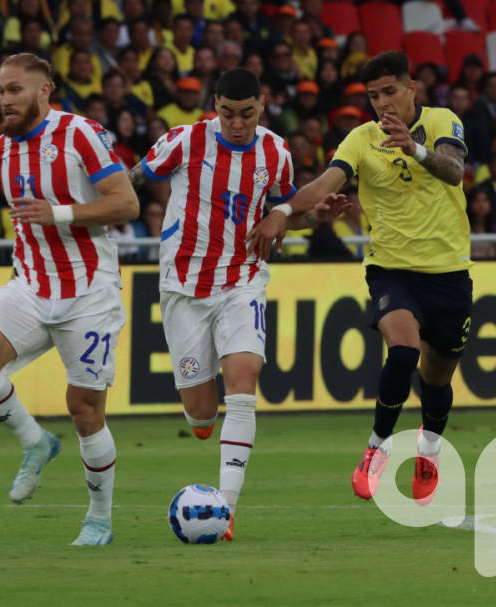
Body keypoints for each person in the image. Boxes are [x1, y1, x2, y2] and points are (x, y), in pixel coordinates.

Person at [128, 67, 347, 539]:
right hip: (183, 287)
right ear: (215, 106)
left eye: (246, 114)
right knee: (202, 413)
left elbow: (288, 215)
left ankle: (225, 511)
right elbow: (134, 179)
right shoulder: (184, 141)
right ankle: (202, 422)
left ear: (262, 105)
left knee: (244, 381)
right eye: (227, 114)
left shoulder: (276, 152)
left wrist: (316, 217)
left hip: (242, 280)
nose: (237, 124)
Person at [249, 50, 472, 506]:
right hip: (392, 268)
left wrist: (415, 148)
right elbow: (323, 183)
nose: (382, 103)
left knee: (437, 379)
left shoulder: (442, 121)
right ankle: (377, 447)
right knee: (405, 350)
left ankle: (428, 450)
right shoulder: (361, 138)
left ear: (412, 89)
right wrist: (283, 210)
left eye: (390, 91)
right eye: (373, 96)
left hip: (450, 273)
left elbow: (453, 171)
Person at [0, 53, 140, 546]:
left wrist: (58, 214)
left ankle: (99, 519)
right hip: (32, 284)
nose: (4, 99)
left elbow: (126, 203)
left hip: (89, 293)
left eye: (15, 90)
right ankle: (35, 442)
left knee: (84, 411)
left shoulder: (82, 134)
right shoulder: (1, 149)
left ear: (44, 91)